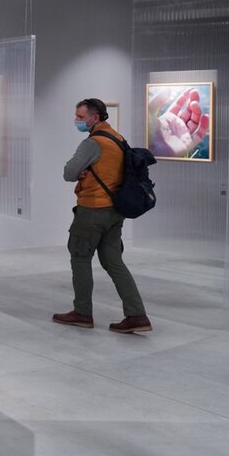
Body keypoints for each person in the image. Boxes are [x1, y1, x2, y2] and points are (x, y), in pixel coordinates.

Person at [53, 98, 152, 334]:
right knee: (114, 262)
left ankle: (82, 313)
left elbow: (69, 172)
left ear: (94, 117)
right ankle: (137, 315)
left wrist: (81, 172)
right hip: (115, 211)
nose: (76, 120)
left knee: (80, 257)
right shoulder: (117, 139)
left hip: (92, 210)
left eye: (80, 117)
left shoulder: (92, 143)